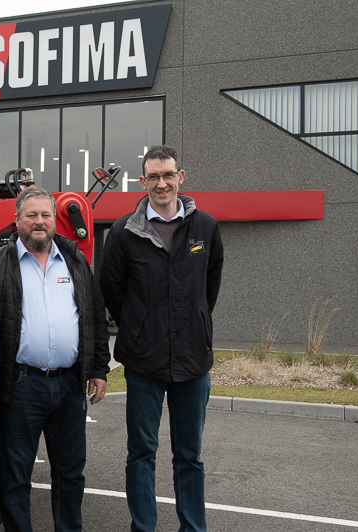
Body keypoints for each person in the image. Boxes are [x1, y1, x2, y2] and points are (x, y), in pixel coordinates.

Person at [99, 145, 224, 532]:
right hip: (143, 363)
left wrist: (196, 323)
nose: (161, 183)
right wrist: (139, 327)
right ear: (142, 182)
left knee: (190, 456)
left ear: (180, 177)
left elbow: (210, 286)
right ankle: (144, 527)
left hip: (192, 362)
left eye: (168, 175)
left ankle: (193, 527)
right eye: (153, 176)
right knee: (141, 453)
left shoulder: (205, 227)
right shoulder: (123, 233)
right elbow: (112, 291)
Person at [0, 186, 111, 532]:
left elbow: (94, 315)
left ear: (55, 220)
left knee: (70, 473)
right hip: (19, 386)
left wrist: (97, 368)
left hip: (69, 383)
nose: (39, 221)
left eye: (45, 215)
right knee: (15, 476)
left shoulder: (76, 261)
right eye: (31, 215)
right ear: (17, 219)